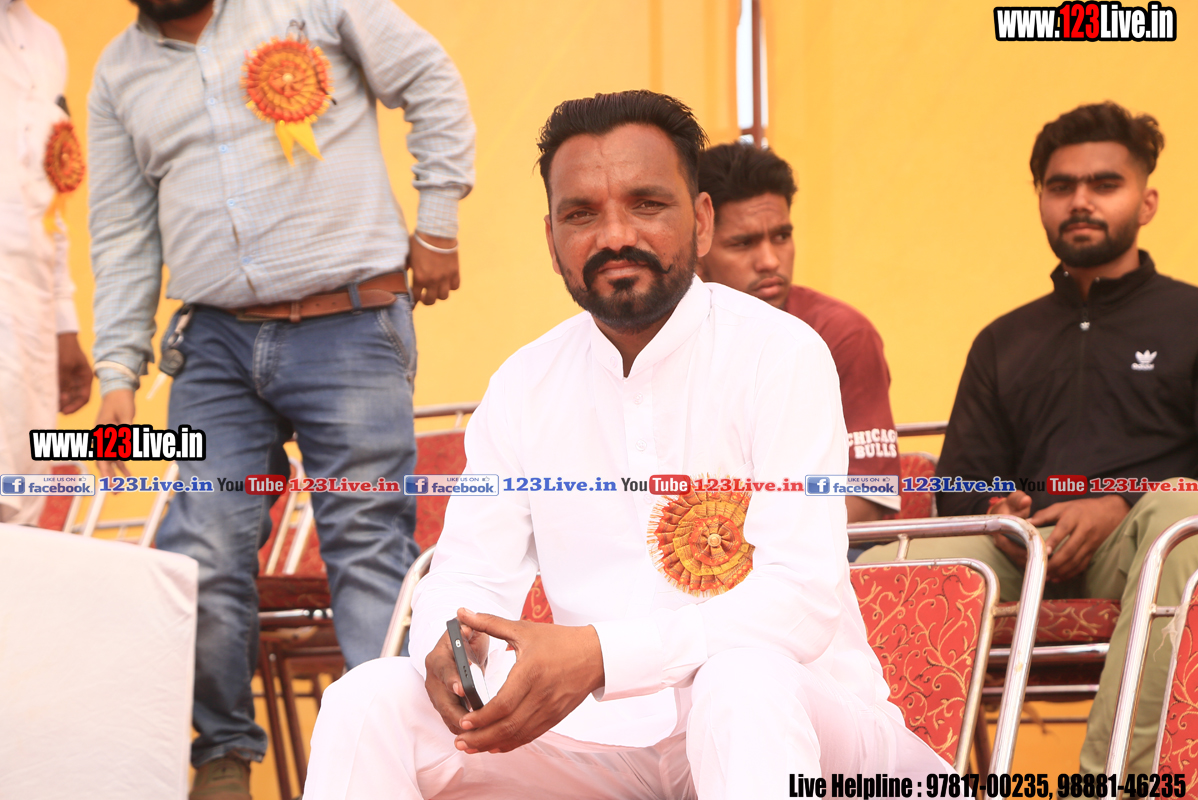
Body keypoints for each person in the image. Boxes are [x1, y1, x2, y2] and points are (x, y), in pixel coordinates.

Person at [303, 90, 950, 800]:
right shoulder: (524, 384)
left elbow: (799, 601)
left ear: (701, 221)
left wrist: (601, 655)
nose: (614, 235)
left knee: (740, 680)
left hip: (808, 732)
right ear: (551, 239)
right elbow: (468, 573)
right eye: (581, 214)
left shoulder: (780, 354)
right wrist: (452, 648)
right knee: (368, 701)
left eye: (646, 204)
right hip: (607, 748)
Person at [88, 0, 474, 795]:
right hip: (213, 348)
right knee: (198, 548)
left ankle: (394, 766)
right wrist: (118, 372)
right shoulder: (116, 74)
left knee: (365, 545)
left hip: (351, 322)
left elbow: (430, 78)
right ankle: (223, 754)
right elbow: (121, 231)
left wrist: (437, 223)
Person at [858, 102, 1198, 774]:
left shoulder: (1191, 319)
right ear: (1041, 199)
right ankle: (894, 779)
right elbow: (961, 488)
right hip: (1023, 548)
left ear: (1147, 201)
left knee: (1185, 520)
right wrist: (1000, 511)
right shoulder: (1005, 340)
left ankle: (1114, 784)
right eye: (1060, 186)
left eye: (1104, 184)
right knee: (879, 566)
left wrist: (1122, 506)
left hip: (1146, 543)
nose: (1080, 201)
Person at [696, 142, 900, 525]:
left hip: (822, 553)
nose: (770, 260)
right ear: (697, 246)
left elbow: (868, 496)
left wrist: (744, 543)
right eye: (743, 243)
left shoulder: (842, 334)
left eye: (781, 236)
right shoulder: (658, 338)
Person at [0, 0, 91, 525]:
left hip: (29, 318)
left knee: (18, 505)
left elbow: (49, 202)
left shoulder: (45, 43)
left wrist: (63, 326)